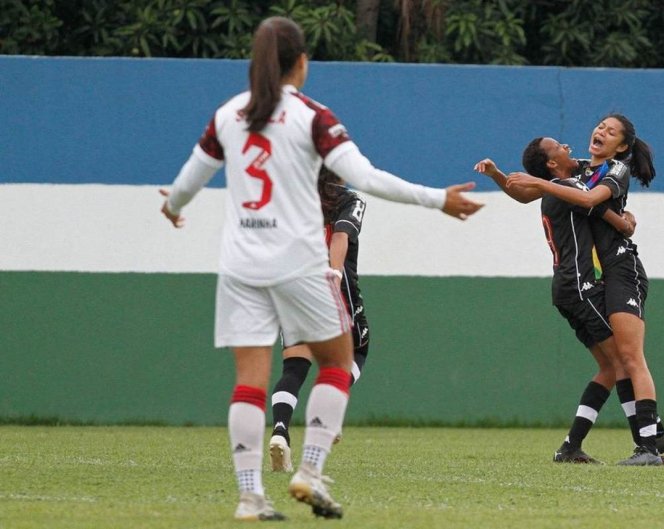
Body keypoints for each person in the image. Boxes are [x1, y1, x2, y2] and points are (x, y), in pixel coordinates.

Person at [160, 16, 482, 521]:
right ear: (302, 63)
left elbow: (189, 178)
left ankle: (249, 498)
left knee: (249, 381)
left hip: (240, 263)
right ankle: (309, 470)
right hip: (298, 263)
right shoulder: (313, 118)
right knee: (338, 361)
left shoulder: (228, 115)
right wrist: (436, 198)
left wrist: (174, 206)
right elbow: (366, 177)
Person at [506, 114, 664, 466]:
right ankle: (650, 436)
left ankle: (649, 443)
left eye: (611, 132)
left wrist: (544, 185)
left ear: (623, 146)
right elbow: (575, 197)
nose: (601, 131)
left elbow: (587, 200)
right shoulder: (580, 169)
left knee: (628, 358)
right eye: (600, 126)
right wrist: (621, 220)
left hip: (622, 268)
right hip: (598, 277)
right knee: (617, 363)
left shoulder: (616, 170)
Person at [477, 138, 638, 464]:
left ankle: (570, 446)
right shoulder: (565, 187)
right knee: (623, 362)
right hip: (580, 285)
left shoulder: (566, 180)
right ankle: (647, 442)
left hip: (566, 288)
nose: (567, 145)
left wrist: (497, 175)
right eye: (558, 147)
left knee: (608, 367)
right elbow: (591, 203)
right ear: (552, 164)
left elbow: (528, 191)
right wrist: (626, 222)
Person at [268, 166, 370, 473]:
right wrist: (334, 273)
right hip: (336, 290)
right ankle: (328, 410)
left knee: (295, 365)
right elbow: (341, 234)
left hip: (293, 288)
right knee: (359, 352)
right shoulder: (350, 200)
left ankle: (280, 432)